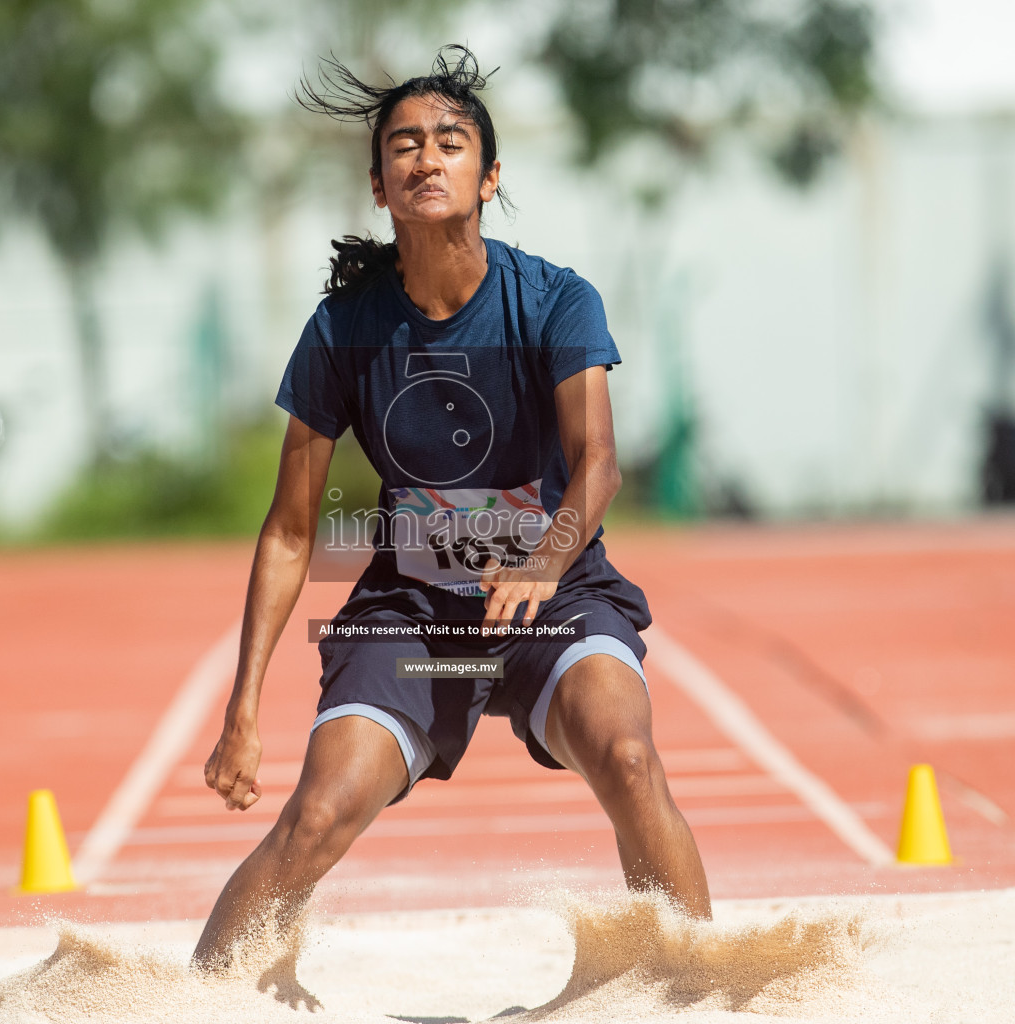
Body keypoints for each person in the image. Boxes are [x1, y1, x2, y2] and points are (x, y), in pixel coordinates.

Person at [193, 46, 709, 968]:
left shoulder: (554, 300)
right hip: (414, 607)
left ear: (490, 174)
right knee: (319, 810)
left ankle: (694, 984)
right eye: (404, 147)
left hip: (559, 590)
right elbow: (289, 530)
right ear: (379, 186)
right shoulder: (343, 329)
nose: (426, 158)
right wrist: (243, 706)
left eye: (450, 141)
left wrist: (545, 562)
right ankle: (203, 997)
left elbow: (599, 464)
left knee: (630, 760)